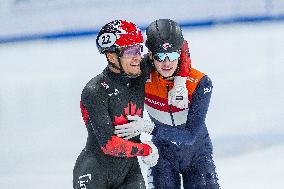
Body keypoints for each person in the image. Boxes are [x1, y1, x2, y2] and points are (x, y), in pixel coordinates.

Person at [73, 20, 190, 189]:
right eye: (130, 51)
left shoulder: (139, 71)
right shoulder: (95, 91)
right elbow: (109, 145)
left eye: (138, 49)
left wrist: (180, 82)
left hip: (130, 173)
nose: (137, 57)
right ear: (112, 56)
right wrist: (146, 150)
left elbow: (179, 44)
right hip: (94, 172)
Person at [115, 19, 220, 189]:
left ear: (180, 54)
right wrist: (141, 147)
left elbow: (190, 135)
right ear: (151, 56)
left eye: (172, 56)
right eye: (160, 56)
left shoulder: (199, 83)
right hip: (163, 156)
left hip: (197, 156)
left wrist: (149, 128)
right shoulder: (142, 77)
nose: (166, 63)